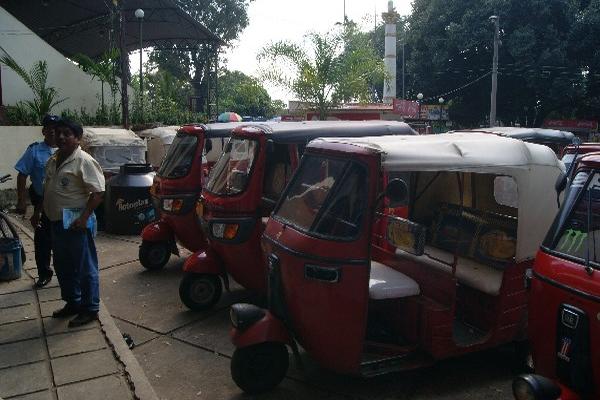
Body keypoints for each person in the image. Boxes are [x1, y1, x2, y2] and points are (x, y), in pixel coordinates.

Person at [43, 118, 105, 327]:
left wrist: (84, 217)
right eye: (58, 133)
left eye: (67, 133)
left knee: (85, 267)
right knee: (63, 266)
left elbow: (98, 193)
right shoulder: (53, 159)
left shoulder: (84, 161)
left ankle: (90, 308)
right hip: (56, 223)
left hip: (76, 223)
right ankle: (73, 302)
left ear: (77, 138)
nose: (61, 137)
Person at [14, 114, 59, 287]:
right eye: (49, 127)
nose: (53, 131)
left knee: (64, 238)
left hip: (62, 203)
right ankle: (44, 273)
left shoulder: (67, 149)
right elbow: (22, 175)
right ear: (44, 131)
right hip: (41, 200)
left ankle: (67, 271)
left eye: (55, 127)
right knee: (42, 238)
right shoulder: (34, 151)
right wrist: (21, 201)